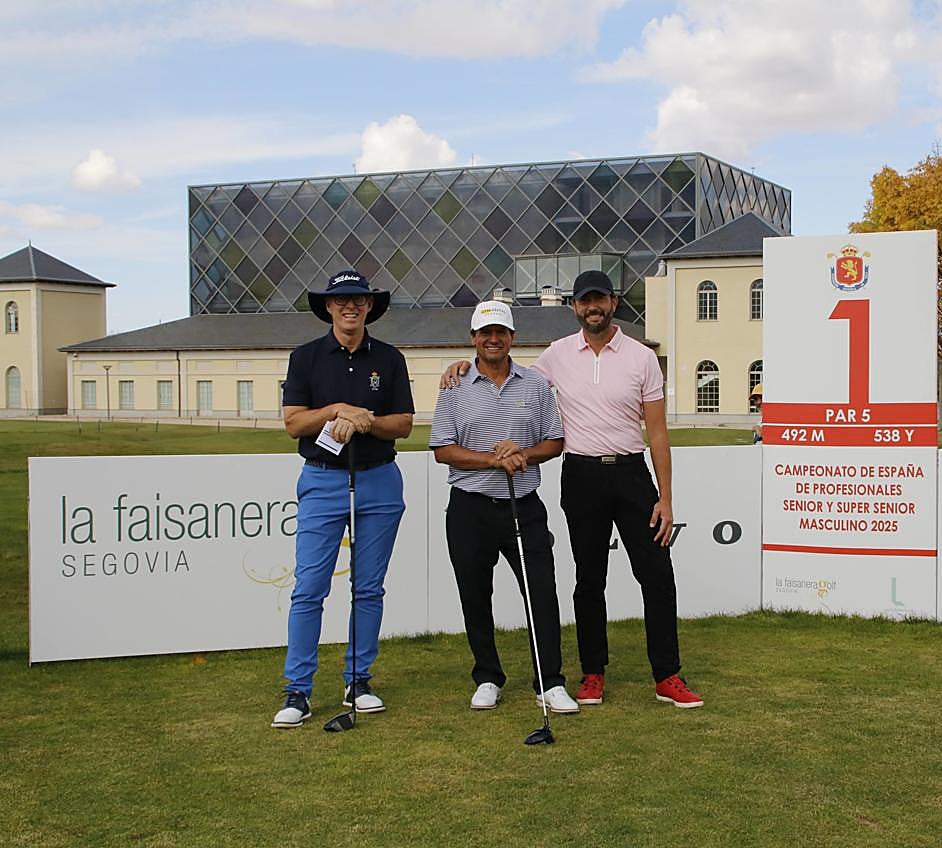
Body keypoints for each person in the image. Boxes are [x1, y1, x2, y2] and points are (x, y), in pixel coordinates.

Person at [442, 270, 704, 709]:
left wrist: (666, 496)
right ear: (575, 307)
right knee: (589, 579)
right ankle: (593, 673)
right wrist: (462, 366)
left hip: (632, 473)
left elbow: (657, 433)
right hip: (581, 476)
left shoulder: (641, 357)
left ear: (614, 302)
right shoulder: (555, 356)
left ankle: (667, 675)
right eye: (585, 301)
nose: (592, 307)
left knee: (657, 576)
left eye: (599, 299)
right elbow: (505, 367)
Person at [271, 270, 414, 729]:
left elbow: (405, 424)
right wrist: (335, 411)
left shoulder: (389, 359)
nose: (350, 306)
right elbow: (294, 423)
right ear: (328, 307)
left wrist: (364, 421)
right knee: (310, 588)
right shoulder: (306, 357)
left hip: (378, 480)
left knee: (368, 587)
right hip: (323, 479)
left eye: (359, 300)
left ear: (370, 306)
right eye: (341, 301)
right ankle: (299, 690)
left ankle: (359, 680)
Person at [430, 301, 578, 714]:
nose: (493, 340)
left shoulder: (534, 385)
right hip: (469, 507)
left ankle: (549, 681)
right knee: (475, 596)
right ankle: (488, 676)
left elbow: (555, 442)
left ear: (512, 337)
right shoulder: (454, 386)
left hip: (523, 505)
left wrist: (523, 454)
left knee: (541, 594)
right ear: (473, 338)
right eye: (485, 333)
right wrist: (492, 460)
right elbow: (443, 449)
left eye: (501, 332)